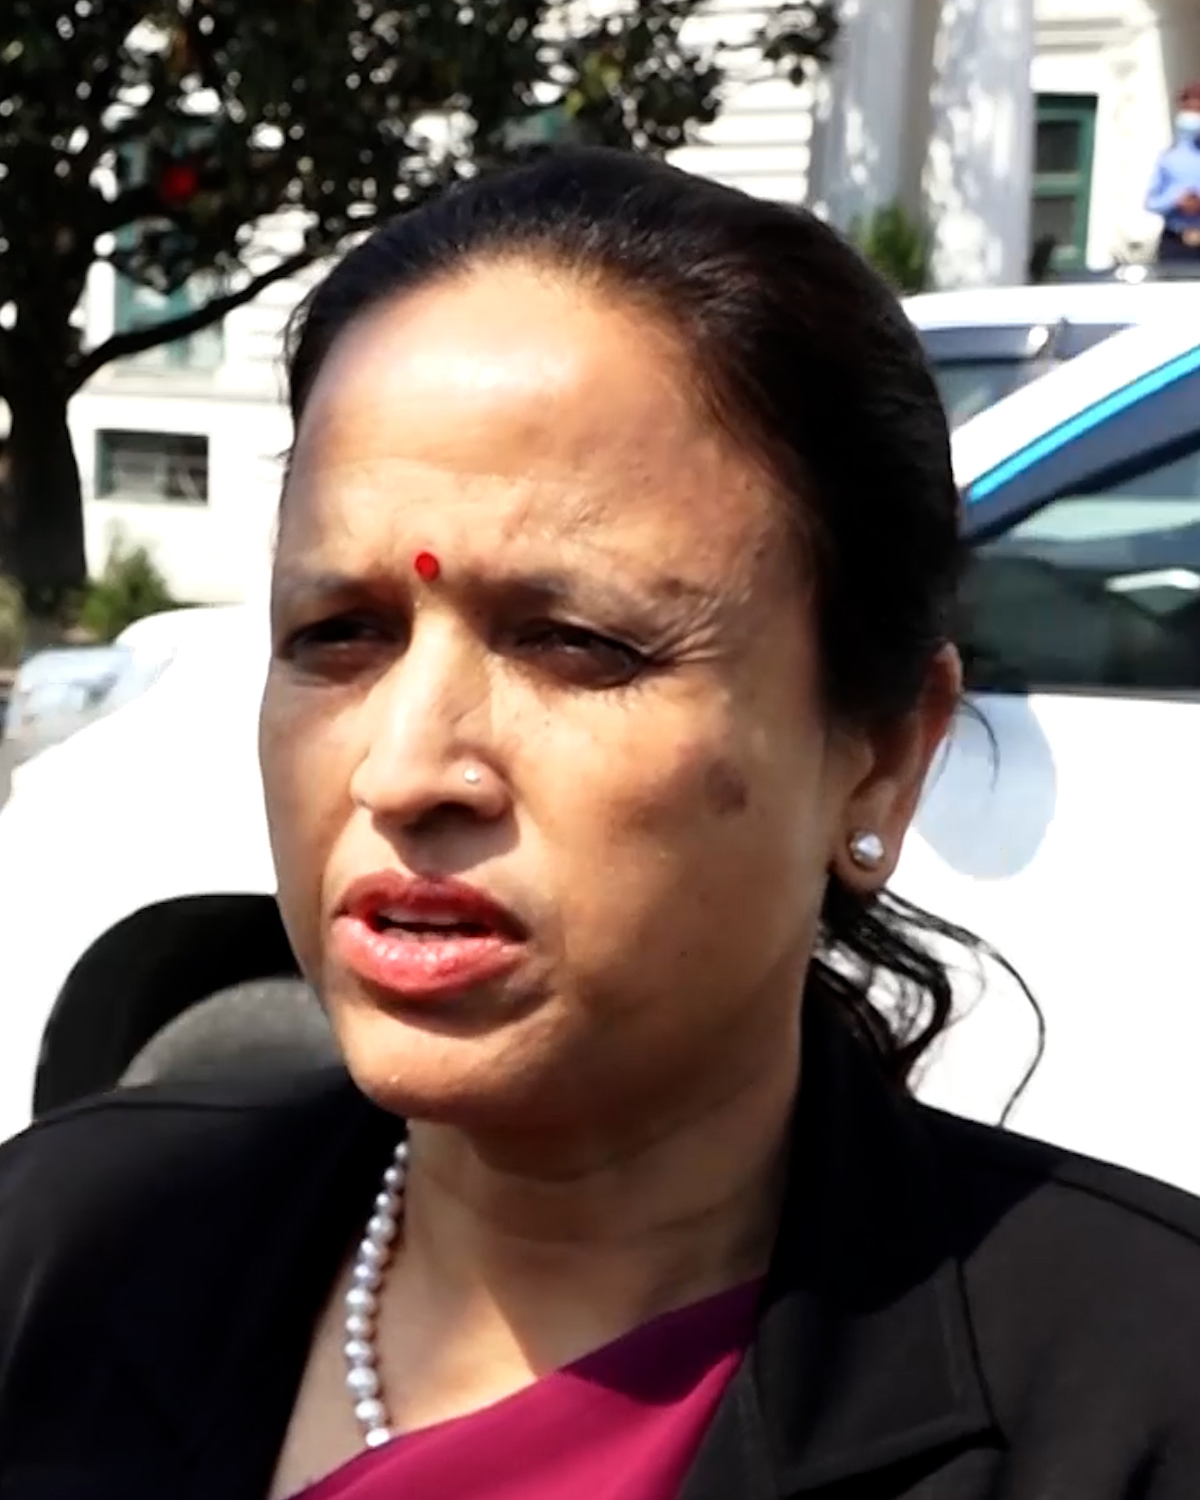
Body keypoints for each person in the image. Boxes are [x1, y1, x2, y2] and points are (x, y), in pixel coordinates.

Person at [4, 148, 1200, 1500]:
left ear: (878, 757)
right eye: (338, 633)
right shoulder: (70, 1258)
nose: (406, 770)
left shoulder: (1135, 1403)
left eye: (575, 642)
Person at [1146, 81, 1200, 264]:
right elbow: (1151, 202)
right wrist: (1176, 201)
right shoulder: (1169, 157)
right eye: (1189, 110)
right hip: (1176, 240)